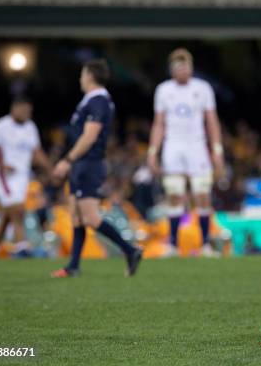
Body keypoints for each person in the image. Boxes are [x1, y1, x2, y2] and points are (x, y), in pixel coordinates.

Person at [51, 59, 142, 277]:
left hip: (88, 162)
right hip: (83, 163)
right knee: (77, 217)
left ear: (90, 76)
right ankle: (73, 266)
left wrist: (68, 160)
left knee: (91, 217)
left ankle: (130, 250)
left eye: (83, 74)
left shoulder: (98, 100)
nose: (80, 79)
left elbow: (90, 136)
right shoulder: (91, 100)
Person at [147, 48, 224, 257]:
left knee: (202, 193)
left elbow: (211, 120)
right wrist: (153, 151)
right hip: (174, 146)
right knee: (174, 194)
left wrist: (216, 149)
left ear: (191, 67)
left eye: (186, 66)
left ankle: (205, 245)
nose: (183, 71)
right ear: (172, 69)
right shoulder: (163, 90)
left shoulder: (202, 88)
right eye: (179, 67)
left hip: (196, 146)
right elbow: (159, 123)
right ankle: (173, 245)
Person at [0, 95, 51, 258]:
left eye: (30, 111)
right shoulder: (0, 126)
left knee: (9, 214)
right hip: (4, 176)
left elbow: (37, 152)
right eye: (25, 110)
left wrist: (50, 169)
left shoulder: (30, 127)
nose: (28, 114)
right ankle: (22, 247)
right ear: (15, 109)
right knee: (18, 209)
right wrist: (0, 163)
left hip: (22, 176)